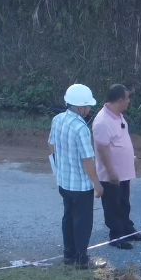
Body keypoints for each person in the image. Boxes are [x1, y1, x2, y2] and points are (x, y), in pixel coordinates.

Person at [49, 84, 107, 269]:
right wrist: (97, 183)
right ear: (80, 107)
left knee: (68, 217)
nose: (90, 109)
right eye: (88, 106)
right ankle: (82, 260)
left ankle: (69, 255)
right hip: (81, 186)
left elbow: (51, 145)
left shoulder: (57, 119)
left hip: (64, 181)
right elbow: (87, 160)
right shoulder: (81, 128)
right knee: (83, 222)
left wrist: (59, 167)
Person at [92, 84, 141, 249]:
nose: (129, 101)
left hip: (123, 172)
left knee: (124, 202)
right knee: (112, 205)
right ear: (119, 100)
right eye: (127, 98)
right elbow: (102, 149)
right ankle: (116, 236)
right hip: (112, 174)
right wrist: (111, 172)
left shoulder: (118, 116)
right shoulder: (102, 121)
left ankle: (128, 230)